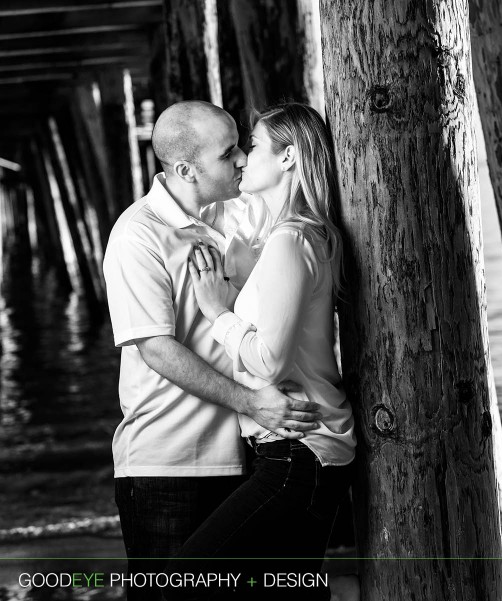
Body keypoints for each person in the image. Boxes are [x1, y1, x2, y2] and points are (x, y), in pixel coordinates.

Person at [102, 100, 322, 601]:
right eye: (228, 154)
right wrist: (253, 401)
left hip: (251, 456)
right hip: (167, 467)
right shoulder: (137, 235)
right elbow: (155, 349)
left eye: (242, 145)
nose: (243, 158)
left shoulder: (242, 209)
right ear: (185, 169)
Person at [165, 103, 356, 601]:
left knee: (184, 578)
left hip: (300, 452)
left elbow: (269, 360)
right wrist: (247, 280)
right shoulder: (294, 237)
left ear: (289, 157)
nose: (244, 159)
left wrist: (216, 311)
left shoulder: (292, 240)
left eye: (252, 146)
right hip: (300, 447)